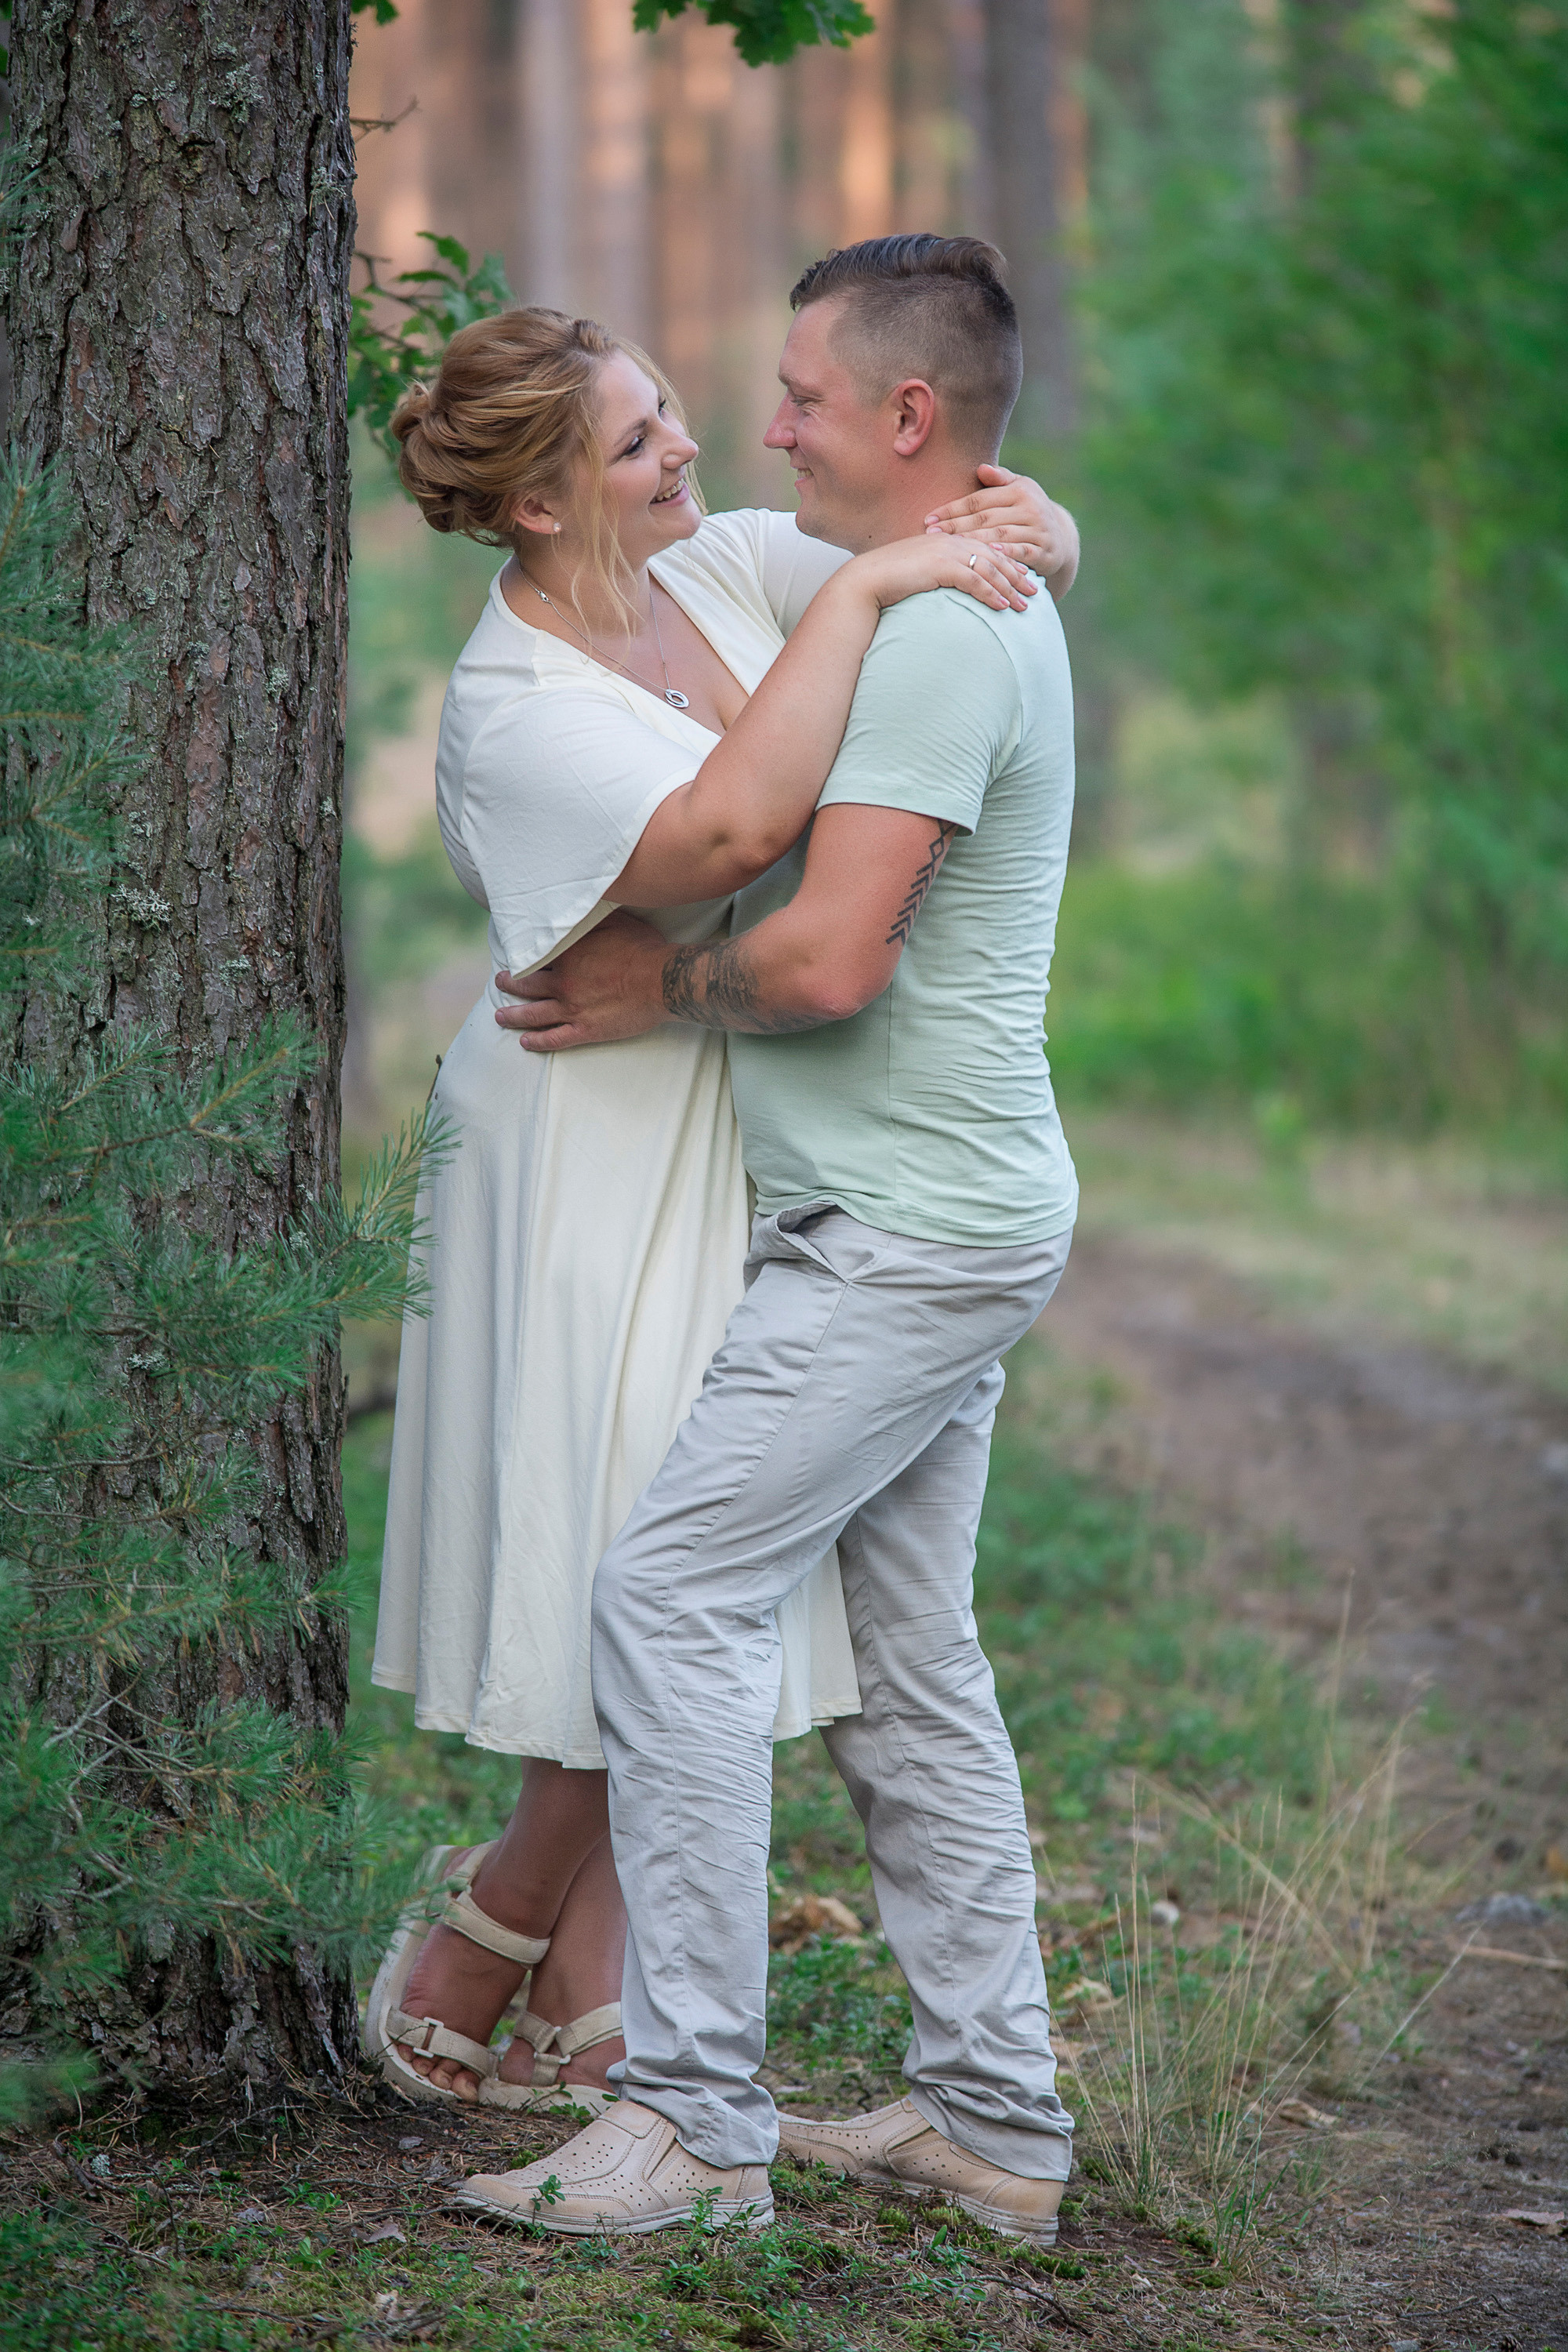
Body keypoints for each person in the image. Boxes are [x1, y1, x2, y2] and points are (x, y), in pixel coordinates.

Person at [362, 300, 1079, 2117]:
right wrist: (862, 596)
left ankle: (553, 1931)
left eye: (675, 412)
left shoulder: (729, 565)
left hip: (740, 1103)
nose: (690, 450)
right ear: (536, 506)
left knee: (679, 1558)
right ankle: (559, 1939)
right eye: (635, 443)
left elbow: (982, 507)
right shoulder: (515, 705)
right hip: (591, 1119)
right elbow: (728, 839)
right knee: (641, 1548)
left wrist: (1029, 528)